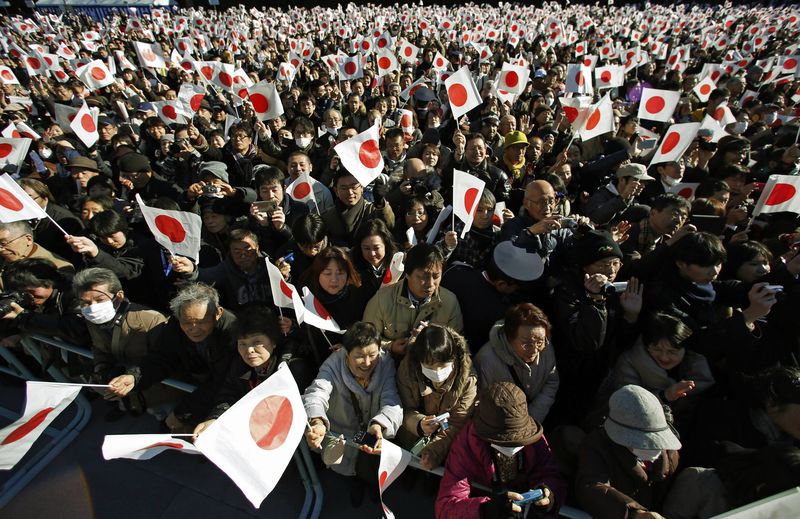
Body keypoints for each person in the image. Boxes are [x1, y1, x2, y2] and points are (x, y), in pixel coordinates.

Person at [107, 283, 238, 433]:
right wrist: (134, 377)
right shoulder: (175, 326)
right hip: (199, 383)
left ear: (218, 314)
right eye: (187, 322)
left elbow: (222, 382)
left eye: (201, 322)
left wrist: (182, 413)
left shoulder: (232, 333)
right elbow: (162, 358)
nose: (194, 329)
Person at [303, 321, 402, 505]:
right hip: (344, 434)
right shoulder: (331, 366)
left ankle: (372, 485)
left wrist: (379, 424)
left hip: (371, 432)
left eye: (372, 355)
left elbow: (391, 399)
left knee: (371, 467)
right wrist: (317, 421)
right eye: (359, 356)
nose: (367, 363)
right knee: (350, 471)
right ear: (346, 354)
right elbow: (317, 393)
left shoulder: (385, 363)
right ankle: (355, 484)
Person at [435, 382, 565, 519]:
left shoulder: (535, 437)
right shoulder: (466, 446)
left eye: (519, 440)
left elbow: (551, 475)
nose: (512, 446)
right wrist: (486, 510)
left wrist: (549, 496)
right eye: (505, 441)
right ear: (485, 434)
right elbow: (445, 508)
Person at [193, 305, 312, 437]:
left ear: (273, 341)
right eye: (242, 344)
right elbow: (227, 396)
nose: (249, 350)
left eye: (257, 342)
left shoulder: (294, 369)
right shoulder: (239, 365)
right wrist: (214, 419)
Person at [576, 385, 682, 519]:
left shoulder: (665, 451)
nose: (654, 448)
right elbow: (593, 487)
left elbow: (670, 467)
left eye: (656, 441)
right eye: (644, 441)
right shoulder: (597, 445)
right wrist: (635, 514)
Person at [73, 268, 169, 413]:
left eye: (99, 300)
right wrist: (102, 368)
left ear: (118, 296)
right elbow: (100, 348)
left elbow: (166, 361)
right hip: (132, 392)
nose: (92, 308)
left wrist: (133, 377)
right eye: (86, 303)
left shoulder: (150, 320)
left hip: (162, 390)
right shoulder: (93, 320)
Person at [396, 324, 477, 470]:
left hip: (447, 445)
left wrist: (433, 452)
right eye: (430, 367)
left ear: (454, 358)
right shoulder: (407, 370)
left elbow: (458, 422)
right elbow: (402, 408)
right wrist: (418, 424)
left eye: (443, 365)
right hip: (409, 440)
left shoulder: (467, 378)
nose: (438, 373)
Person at [363, 243, 463, 357]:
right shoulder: (382, 300)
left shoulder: (449, 302)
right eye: (423, 277)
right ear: (407, 274)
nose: (430, 284)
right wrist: (390, 346)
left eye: (436, 276)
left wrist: (433, 340)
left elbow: (457, 345)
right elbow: (366, 338)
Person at [475, 303, 559, 423]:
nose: (535, 351)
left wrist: (534, 417)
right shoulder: (486, 360)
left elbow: (551, 381)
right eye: (526, 344)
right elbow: (482, 405)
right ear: (509, 338)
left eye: (539, 342)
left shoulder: (546, 347)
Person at [299, 246, 369, 367]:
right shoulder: (306, 294)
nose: (334, 280)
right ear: (318, 274)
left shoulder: (359, 294)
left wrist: (349, 347)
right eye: (327, 273)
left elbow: (366, 331)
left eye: (340, 273)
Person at [350, 219, 399, 299]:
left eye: (376, 248)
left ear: (385, 245)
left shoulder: (399, 263)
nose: (372, 254)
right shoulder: (352, 266)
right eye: (366, 248)